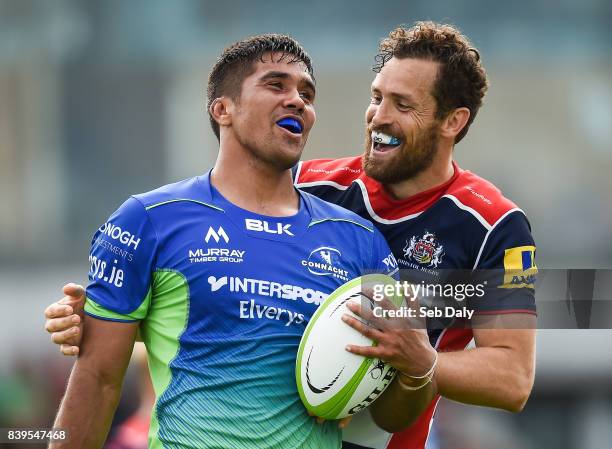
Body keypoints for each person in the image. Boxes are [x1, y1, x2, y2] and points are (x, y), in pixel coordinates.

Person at [45, 22, 537, 449]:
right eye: (376, 97)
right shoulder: (311, 185)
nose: (378, 117)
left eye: (402, 104)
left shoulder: (497, 226)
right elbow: (207, 254)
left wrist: (420, 360)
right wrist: (110, 303)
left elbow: (513, 377)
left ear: (453, 121)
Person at [47, 34, 397, 449]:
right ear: (223, 109)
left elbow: (391, 410)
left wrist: (416, 368)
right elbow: (99, 380)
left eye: (306, 93)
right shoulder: (147, 220)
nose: (297, 100)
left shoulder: (359, 241)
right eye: (276, 85)